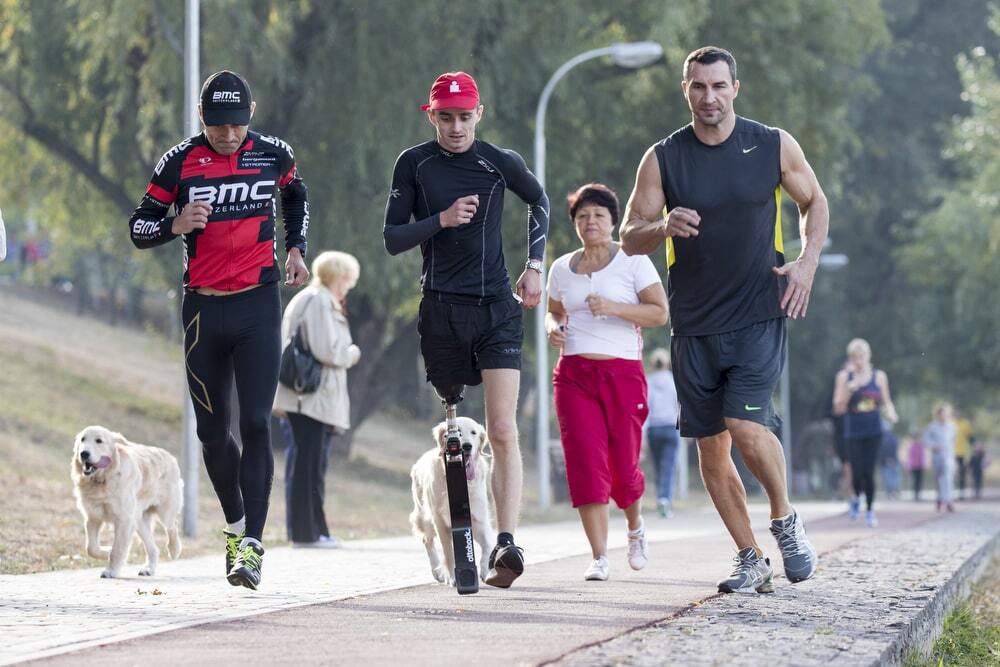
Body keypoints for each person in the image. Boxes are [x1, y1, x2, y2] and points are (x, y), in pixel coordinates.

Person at [620, 46, 827, 594]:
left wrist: (806, 263)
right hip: (693, 322)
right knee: (710, 447)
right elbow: (628, 233)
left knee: (746, 425)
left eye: (718, 86)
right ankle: (749, 555)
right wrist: (662, 227)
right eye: (698, 87)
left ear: (736, 87)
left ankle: (784, 521)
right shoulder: (663, 157)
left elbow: (814, 202)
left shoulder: (771, 144)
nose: (708, 97)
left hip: (760, 309)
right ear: (685, 90)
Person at [128, 70, 310, 589]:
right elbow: (140, 226)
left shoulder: (272, 154)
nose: (228, 136)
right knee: (212, 433)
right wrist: (175, 224)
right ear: (201, 118)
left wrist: (296, 247)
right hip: (203, 311)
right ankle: (234, 527)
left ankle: (252, 543)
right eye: (217, 126)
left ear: (249, 117)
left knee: (255, 422)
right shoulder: (179, 161)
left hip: (257, 304)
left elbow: (296, 195)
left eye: (236, 126)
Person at [383, 71, 550, 588]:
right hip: (441, 310)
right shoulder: (414, 164)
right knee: (452, 437)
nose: (456, 127)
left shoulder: (498, 162)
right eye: (445, 117)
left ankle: (504, 540)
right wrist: (442, 219)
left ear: (479, 114)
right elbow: (392, 238)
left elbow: (539, 202)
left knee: (502, 430)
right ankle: (460, 539)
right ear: (430, 114)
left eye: (464, 116)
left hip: (497, 307)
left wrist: (535, 266)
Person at [546, 183, 668, 581]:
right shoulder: (562, 268)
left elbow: (659, 314)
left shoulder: (633, 262)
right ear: (575, 225)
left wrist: (615, 307)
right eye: (582, 217)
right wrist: (554, 328)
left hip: (623, 373)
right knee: (584, 461)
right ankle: (599, 556)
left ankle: (634, 527)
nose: (590, 222)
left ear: (613, 221)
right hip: (574, 375)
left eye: (598, 215)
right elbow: (554, 311)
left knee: (623, 464)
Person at [274, 251, 361, 548]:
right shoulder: (320, 300)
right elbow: (329, 351)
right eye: (347, 280)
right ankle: (305, 534)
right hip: (309, 398)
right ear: (338, 277)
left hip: (309, 398)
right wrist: (352, 353)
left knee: (311, 464)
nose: (348, 286)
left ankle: (316, 530)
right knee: (308, 465)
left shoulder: (314, 299)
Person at [833, 338, 899, 527]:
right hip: (853, 431)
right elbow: (838, 408)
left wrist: (891, 413)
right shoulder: (844, 377)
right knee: (857, 471)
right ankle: (855, 499)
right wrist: (848, 390)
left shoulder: (879, 377)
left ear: (868, 356)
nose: (859, 360)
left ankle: (869, 510)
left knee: (869, 471)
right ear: (851, 358)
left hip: (874, 430)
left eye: (862, 356)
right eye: (855, 357)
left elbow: (886, 401)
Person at [645, 347, 681, 518]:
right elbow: (679, 406)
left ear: (652, 364)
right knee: (669, 466)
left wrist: (642, 433)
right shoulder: (673, 381)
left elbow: (645, 409)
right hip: (670, 428)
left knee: (658, 466)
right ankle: (665, 499)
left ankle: (661, 497)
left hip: (653, 429)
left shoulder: (647, 382)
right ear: (667, 363)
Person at [924, 402, 956, 512]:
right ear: (938, 415)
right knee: (938, 479)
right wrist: (934, 446)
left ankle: (948, 501)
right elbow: (926, 441)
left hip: (948, 456)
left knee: (948, 478)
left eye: (946, 414)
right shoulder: (932, 427)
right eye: (942, 414)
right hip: (937, 456)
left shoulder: (952, 427)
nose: (944, 416)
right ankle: (939, 498)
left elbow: (953, 441)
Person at [952, 409, 973, 500]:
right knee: (952, 473)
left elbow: (970, 437)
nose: (957, 415)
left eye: (959, 413)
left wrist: (975, 446)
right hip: (952, 452)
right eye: (956, 413)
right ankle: (952, 492)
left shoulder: (965, 423)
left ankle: (961, 493)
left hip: (963, 452)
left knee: (962, 473)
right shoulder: (950, 423)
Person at [905, 429, 927, 501]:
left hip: (920, 466)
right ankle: (915, 494)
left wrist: (924, 464)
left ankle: (918, 494)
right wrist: (908, 465)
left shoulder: (921, 445)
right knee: (914, 480)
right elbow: (909, 457)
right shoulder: (911, 446)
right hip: (913, 466)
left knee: (919, 481)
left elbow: (923, 456)